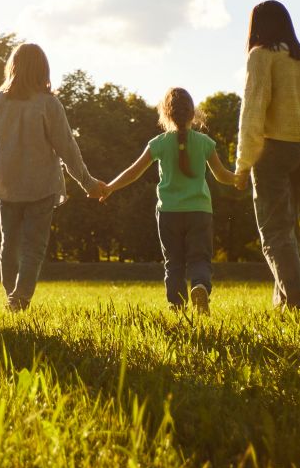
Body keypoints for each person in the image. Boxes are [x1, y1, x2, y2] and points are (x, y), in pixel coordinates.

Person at [0, 43, 104, 311]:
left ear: (13, 67)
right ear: (43, 70)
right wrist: (88, 183)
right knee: (33, 247)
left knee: (8, 244)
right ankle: (19, 297)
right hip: (42, 186)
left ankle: (12, 295)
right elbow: (67, 148)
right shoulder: (49, 104)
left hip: (7, 185)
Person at [100, 87, 236, 314]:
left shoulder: (158, 143)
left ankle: (177, 306)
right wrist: (240, 179)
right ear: (193, 114)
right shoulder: (205, 143)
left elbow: (134, 172)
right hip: (200, 211)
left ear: (165, 114)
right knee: (200, 258)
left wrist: (111, 187)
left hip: (169, 212)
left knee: (173, 262)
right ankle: (200, 286)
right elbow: (222, 176)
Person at [233, 0, 300, 310]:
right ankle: (283, 306)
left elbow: (253, 112)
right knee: (290, 232)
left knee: (274, 234)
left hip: (273, 149)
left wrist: (242, 165)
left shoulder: (260, 56)